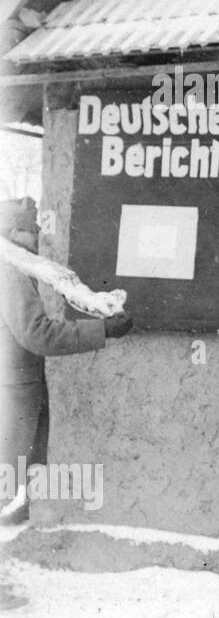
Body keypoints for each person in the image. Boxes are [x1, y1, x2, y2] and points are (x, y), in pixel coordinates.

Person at [1, 197, 132, 527]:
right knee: (9, 491)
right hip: (10, 399)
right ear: (15, 232)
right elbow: (36, 335)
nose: (38, 238)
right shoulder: (10, 272)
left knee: (14, 493)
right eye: (33, 231)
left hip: (14, 392)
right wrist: (102, 330)